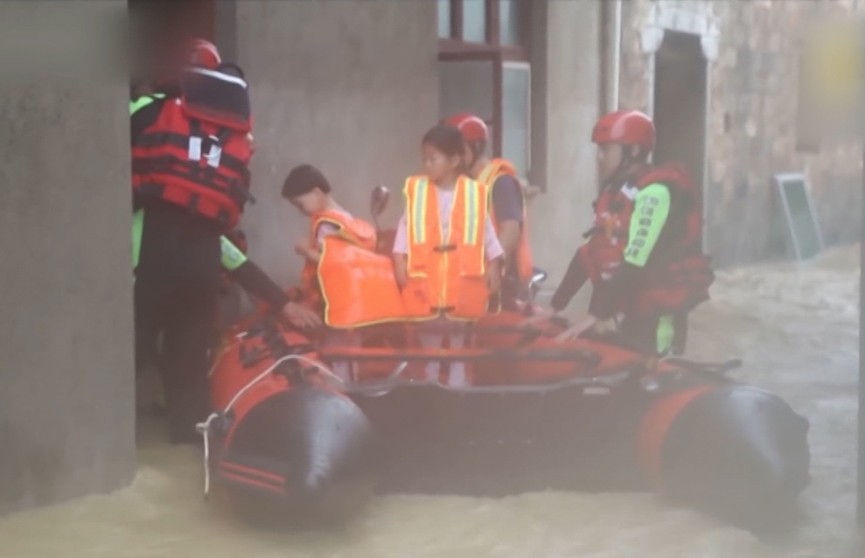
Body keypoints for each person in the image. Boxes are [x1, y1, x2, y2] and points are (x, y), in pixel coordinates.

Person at [130, 38, 320, 443]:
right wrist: (283, 302)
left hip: (150, 259)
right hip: (201, 263)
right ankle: (191, 448)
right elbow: (230, 255)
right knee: (187, 370)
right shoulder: (234, 139)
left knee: (127, 359)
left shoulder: (148, 112)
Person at [535, 110, 714, 357]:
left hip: (657, 316)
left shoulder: (655, 193)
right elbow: (590, 252)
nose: (599, 158)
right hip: (632, 310)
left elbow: (634, 261)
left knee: (651, 380)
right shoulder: (619, 193)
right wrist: (555, 307)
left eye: (606, 150)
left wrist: (596, 314)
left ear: (634, 151)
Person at [393, 125, 504, 386]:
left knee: (458, 348)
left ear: (454, 160)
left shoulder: (474, 194)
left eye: (433, 158)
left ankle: (458, 391)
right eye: (425, 159)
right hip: (426, 283)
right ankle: (431, 391)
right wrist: (399, 259)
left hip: (461, 284)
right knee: (429, 347)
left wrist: (495, 265)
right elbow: (405, 228)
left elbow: (487, 234)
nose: (427, 164)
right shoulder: (418, 192)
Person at [281, 164, 377, 382]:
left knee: (338, 353)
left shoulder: (327, 224)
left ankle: (340, 393)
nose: (300, 210)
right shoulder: (344, 218)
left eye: (300, 204)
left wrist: (305, 250)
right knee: (348, 351)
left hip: (337, 302)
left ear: (317, 193)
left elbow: (335, 262)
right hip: (350, 302)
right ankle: (346, 388)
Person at [445, 113, 533, 310]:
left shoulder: (500, 183)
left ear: (474, 148)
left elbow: (510, 230)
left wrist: (491, 267)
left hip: (501, 289)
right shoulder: (466, 187)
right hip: (469, 286)